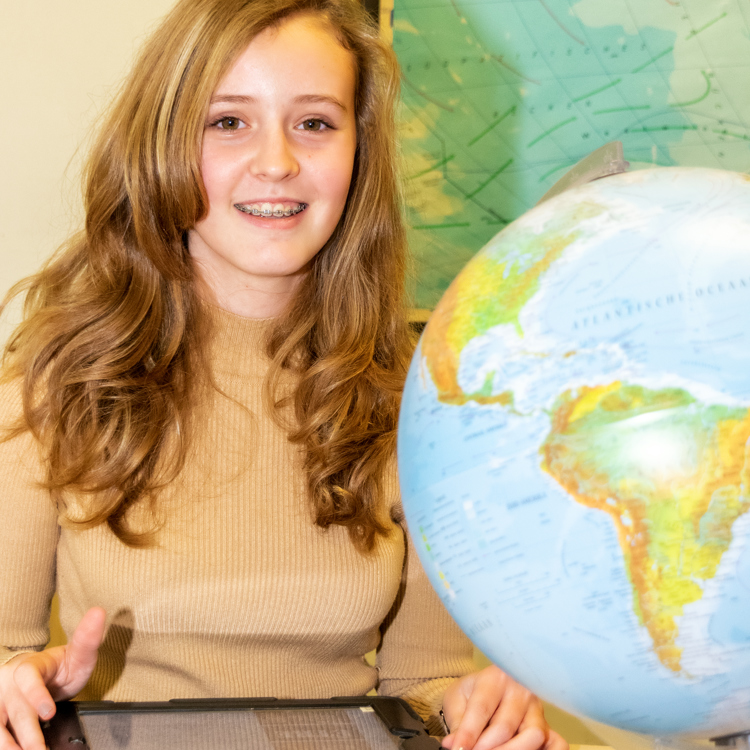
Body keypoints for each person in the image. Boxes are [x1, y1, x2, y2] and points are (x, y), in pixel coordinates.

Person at [0, 2, 567, 750]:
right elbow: (4, 658)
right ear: (163, 144)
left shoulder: (422, 403)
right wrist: (18, 685)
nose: (277, 162)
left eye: (315, 123)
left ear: (360, 151)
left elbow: (420, 685)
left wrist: (474, 710)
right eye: (229, 121)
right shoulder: (53, 383)